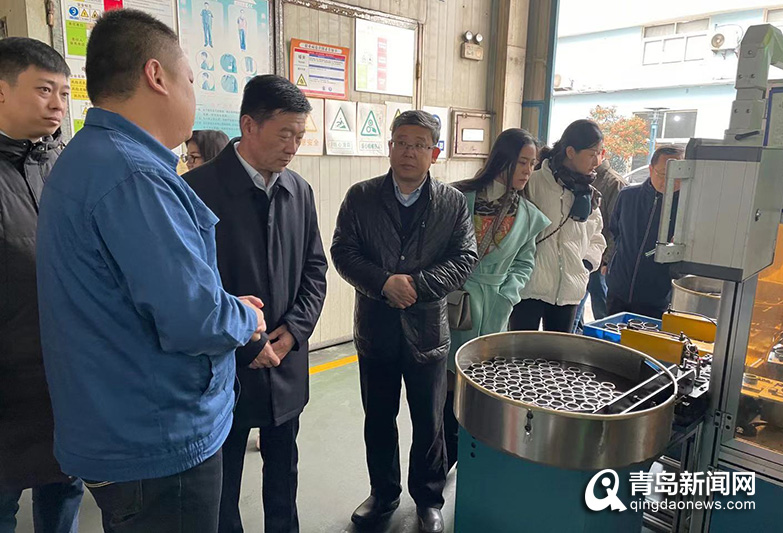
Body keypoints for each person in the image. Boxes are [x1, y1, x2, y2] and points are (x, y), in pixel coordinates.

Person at [35, 10, 266, 533]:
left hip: (116, 423)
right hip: (159, 440)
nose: (193, 92)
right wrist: (245, 318)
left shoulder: (88, 157)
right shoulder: (135, 176)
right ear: (156, 75)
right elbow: (193, 318)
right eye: (191, 79)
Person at [185, 75, 327, 533]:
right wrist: (248, 343)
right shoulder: (196, 190)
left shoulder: (298, 190)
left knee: (284, 472)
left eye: (299, 137)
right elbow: (190, 289)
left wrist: (295, 330)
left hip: (286, 360)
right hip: (225, 365)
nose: (293, 147)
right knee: (221, 481)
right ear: (248, 125)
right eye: (284, 134)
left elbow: (315, 268)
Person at [331, 110, 478, 533]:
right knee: (378, 417)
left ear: (435, 152)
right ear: (389, 146)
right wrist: (383, 283)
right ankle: (383, 494)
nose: (408, 152)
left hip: (427, 334)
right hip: (375, 330)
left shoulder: (452, 202)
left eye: (419, 145)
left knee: (429, 422)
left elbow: (465, 257)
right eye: (401, 142)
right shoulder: (361, 197)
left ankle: (429, 499)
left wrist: (417, 284)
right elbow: (343, 251)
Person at [0, 36, 84, 533]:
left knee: (64, 491)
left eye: (64, 93)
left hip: (65, 378)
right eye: (44, 90)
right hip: (8, 382)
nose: (58, 104)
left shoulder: (67, 165)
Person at [445, 129, 550, 467]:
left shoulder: (528, 214)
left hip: (495, 307)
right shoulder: (458, 197)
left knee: (482, 387)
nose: (528, 170)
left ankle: (469, 461)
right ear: (502, 160)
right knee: (447, 387)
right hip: (455, 303)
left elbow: (524, 262)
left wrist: (508, 295)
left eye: (532, 164)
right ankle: (442, 462)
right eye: (522, 162)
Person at [509, 119, 606, 333]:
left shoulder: (588, 193)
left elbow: (597, 237)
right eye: (592, 154)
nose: (597, 161)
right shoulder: (533, 183)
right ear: (571, 152)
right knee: (521, 349)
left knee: (559, 350)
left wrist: (586, 264)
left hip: (569, 290)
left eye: (600, 153)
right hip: (528, 288)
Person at [606, 145, 685, 319]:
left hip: (657, 298)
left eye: (677, 176)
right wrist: (609, 264)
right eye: (663, 174)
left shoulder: (686, 208)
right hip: (619, 290)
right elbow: (614, 232)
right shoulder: (628, 196)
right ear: (651, 169)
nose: (670, 181)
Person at [572, 155, 626, 332]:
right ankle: (576, 333)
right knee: (577, 302)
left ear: (602, 154)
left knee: (600, 304)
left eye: (595, 153)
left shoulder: (614, 182)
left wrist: (607, 259)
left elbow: (617, 227)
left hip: (599, 254)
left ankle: (604, 335)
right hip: (580, 252)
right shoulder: (580, 177)